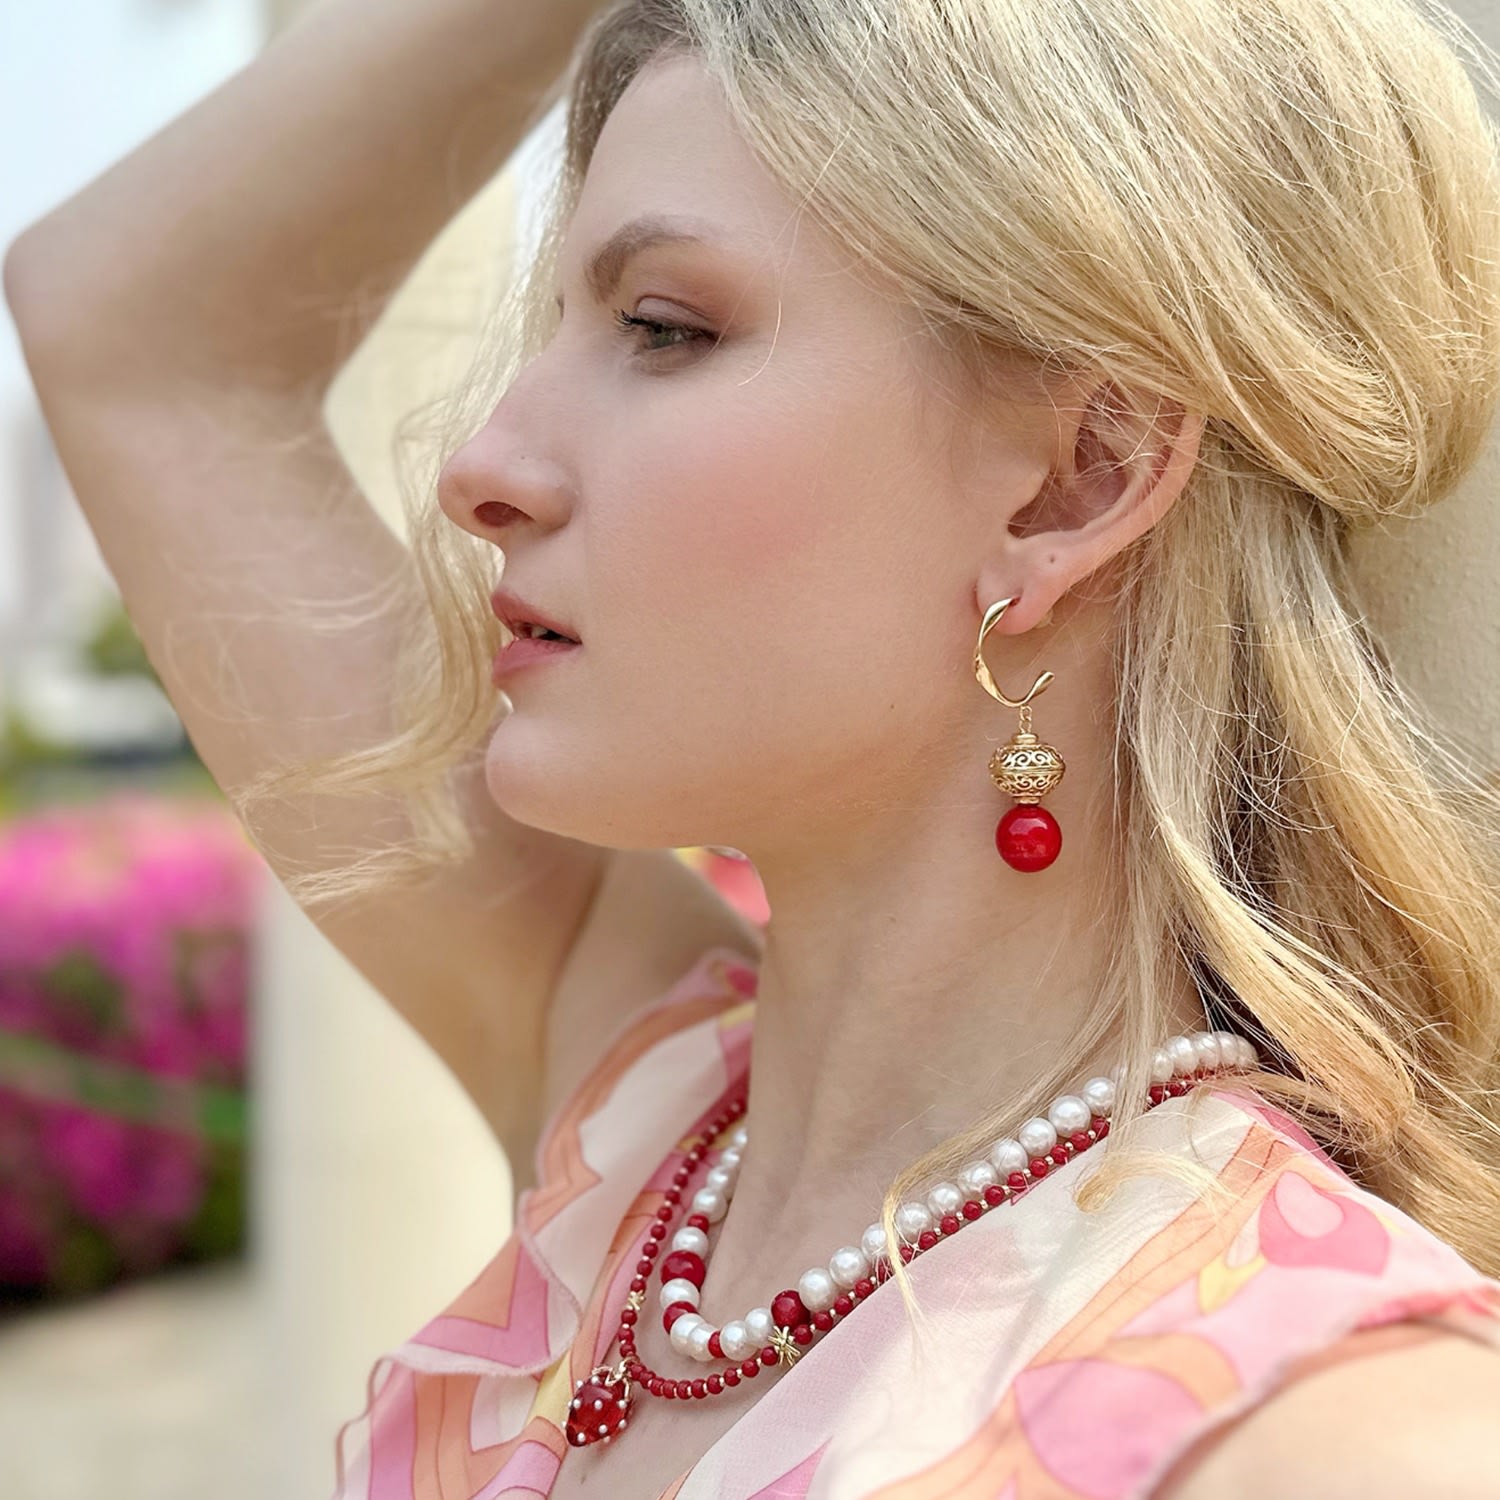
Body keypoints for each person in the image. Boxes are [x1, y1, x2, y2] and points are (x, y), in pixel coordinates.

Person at [7, 0, 1500, 1494]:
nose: (482, 468)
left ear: (1077, 481)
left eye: (665, 329)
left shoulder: (1340, 1435)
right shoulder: (645, 1138)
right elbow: (122, 330)